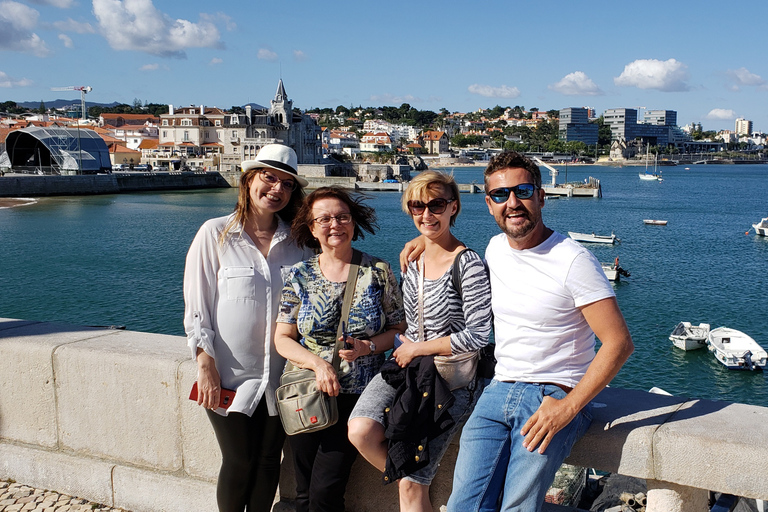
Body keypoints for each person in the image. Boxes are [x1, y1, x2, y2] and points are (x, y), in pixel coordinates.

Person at [445, 151, 634, 511]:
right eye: (501, 195)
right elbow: (451, 256)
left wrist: (568, 407)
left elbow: (619, 343)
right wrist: (420, 243)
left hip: (552, 395)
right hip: (499, 389)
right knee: (463, 506)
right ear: (488, 204)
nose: (512, 203)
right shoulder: (495, 248)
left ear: (541, 196)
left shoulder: (573, 260)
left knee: (518, 507)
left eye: (523, 191)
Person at [348, 170, 492, 512]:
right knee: (360, 431)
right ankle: (409, 476)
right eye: (417, 206)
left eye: (436, 204)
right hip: (409, 368)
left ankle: (413, 480)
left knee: (412, 486)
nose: (426, 214)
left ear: (453, 207)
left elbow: (479, 334)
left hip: (450, 378)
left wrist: (417, 347)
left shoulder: (468, 263)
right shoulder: (412, 258)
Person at [183, 144, 311, 512]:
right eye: (268, 177)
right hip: (229, 376)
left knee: (270, 461)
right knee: (238, 460)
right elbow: (197, 308)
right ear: (248, 180)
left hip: (283, 377)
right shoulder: (216, 233)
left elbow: (341, 249)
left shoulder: (299, 242)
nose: (277, 188)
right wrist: (205, 365)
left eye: (286, 183)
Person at [274, 186, 406, 512]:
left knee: (326, 492)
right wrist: (318, 365)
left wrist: (368, 346)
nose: (335, 225)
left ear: (353, 222)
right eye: (325, 219)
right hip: (306, 392)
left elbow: (399, 330)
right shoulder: (298, 275)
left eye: (342, 217)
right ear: (312, 227)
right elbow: (283, 337)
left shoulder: (379, 271)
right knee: (303, 492)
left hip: (357, 397)